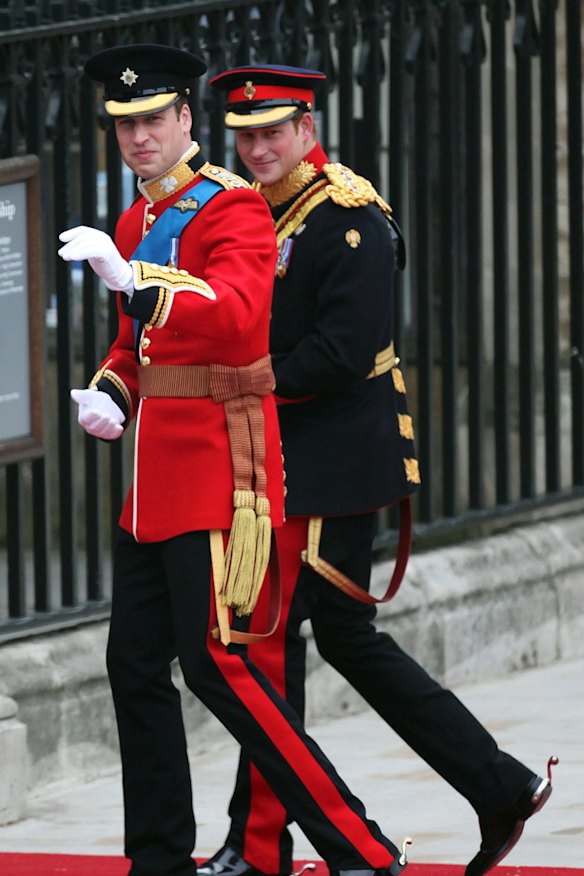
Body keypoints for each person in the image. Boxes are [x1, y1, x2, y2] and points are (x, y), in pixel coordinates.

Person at [58, 45, 415, 876]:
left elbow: (238, 314)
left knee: (221, 668)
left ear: (186, 120)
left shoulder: (234, 208)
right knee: (132, 666)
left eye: (154, 120)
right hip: (150, 484)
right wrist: (111, 391)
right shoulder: (135, 222)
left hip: (217, 473)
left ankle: (362, 850)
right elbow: (134, 346)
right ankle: (157, 860)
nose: (139, 138)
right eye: (125, 125)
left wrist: (136, 280)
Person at [201, 64, 556, 876]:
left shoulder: (348, 218)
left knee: (274, 644)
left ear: (307, 127)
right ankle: (497, 785)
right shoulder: (256, 209)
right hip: (285, 461)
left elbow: (342, 351)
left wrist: (243, 380)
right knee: (319, 641)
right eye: (246, 136)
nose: (257, 148)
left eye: (272, 132)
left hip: (332, 466)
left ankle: (261, 846)